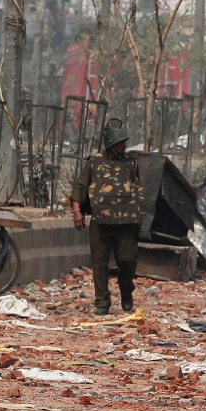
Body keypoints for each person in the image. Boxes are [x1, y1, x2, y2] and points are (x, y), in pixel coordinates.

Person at [71, 120, 145, 316]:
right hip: (101, 221)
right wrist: (76, 210)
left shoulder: (131, 163)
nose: (124, 146)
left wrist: (139, 215)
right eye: (121, 143)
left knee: (128, 260)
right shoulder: (94, 163)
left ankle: (126, 292)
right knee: (100, 262)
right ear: (111, 144)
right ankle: (102, 301)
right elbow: (79, 187)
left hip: (126, 222)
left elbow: (137, 189)